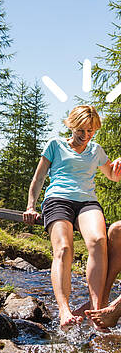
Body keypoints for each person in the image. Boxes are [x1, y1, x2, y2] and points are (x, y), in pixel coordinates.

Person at [23, 105, 121, 330]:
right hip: (57, 199)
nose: (86, 136)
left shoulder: (96, 150)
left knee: (98, 241)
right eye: (82, 130)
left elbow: (113, 176)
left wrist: (117, 168)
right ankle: (64, 310)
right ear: (72, 125)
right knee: (64, 249)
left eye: (91, 131)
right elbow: (38, 180)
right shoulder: (55, 145)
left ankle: (97, 310)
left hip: (87, 202)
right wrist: (31, 206)